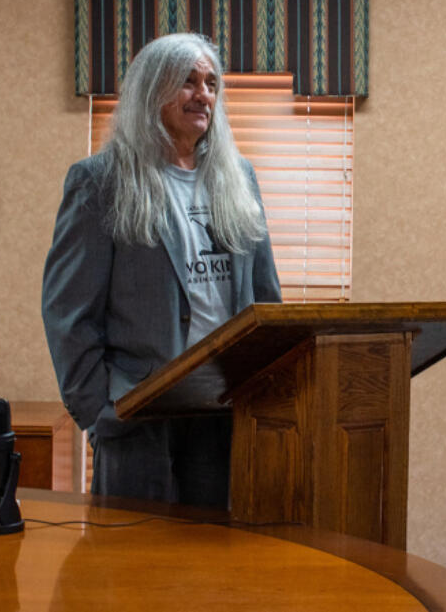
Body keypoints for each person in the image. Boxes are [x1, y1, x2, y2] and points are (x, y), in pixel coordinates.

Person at [41, 33, 281, 507]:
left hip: (222, 409)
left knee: (216, 563)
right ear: (152, 91)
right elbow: (69, 312)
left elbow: (263, 298)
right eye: (188, 82)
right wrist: (100, 414)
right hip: (138, 413)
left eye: (212, 84)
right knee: (134, 568)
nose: (203, 95)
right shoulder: (100, 181)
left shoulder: (240, 177)